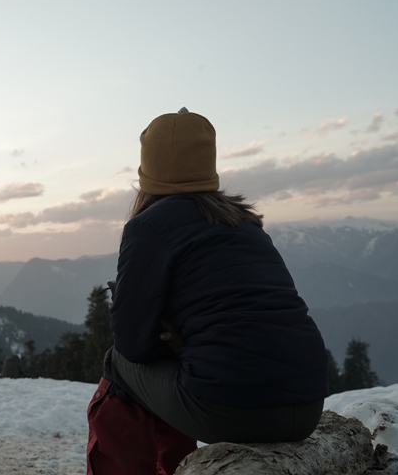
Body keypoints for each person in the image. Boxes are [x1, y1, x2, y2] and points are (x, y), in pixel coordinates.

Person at [86, 109, 329, 475]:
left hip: (234, 411)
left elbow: (131, 345)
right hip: (309, 405)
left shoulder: (148, 227)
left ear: (147, 170)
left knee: (118, 365)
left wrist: (172, 341)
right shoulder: (245, 224)